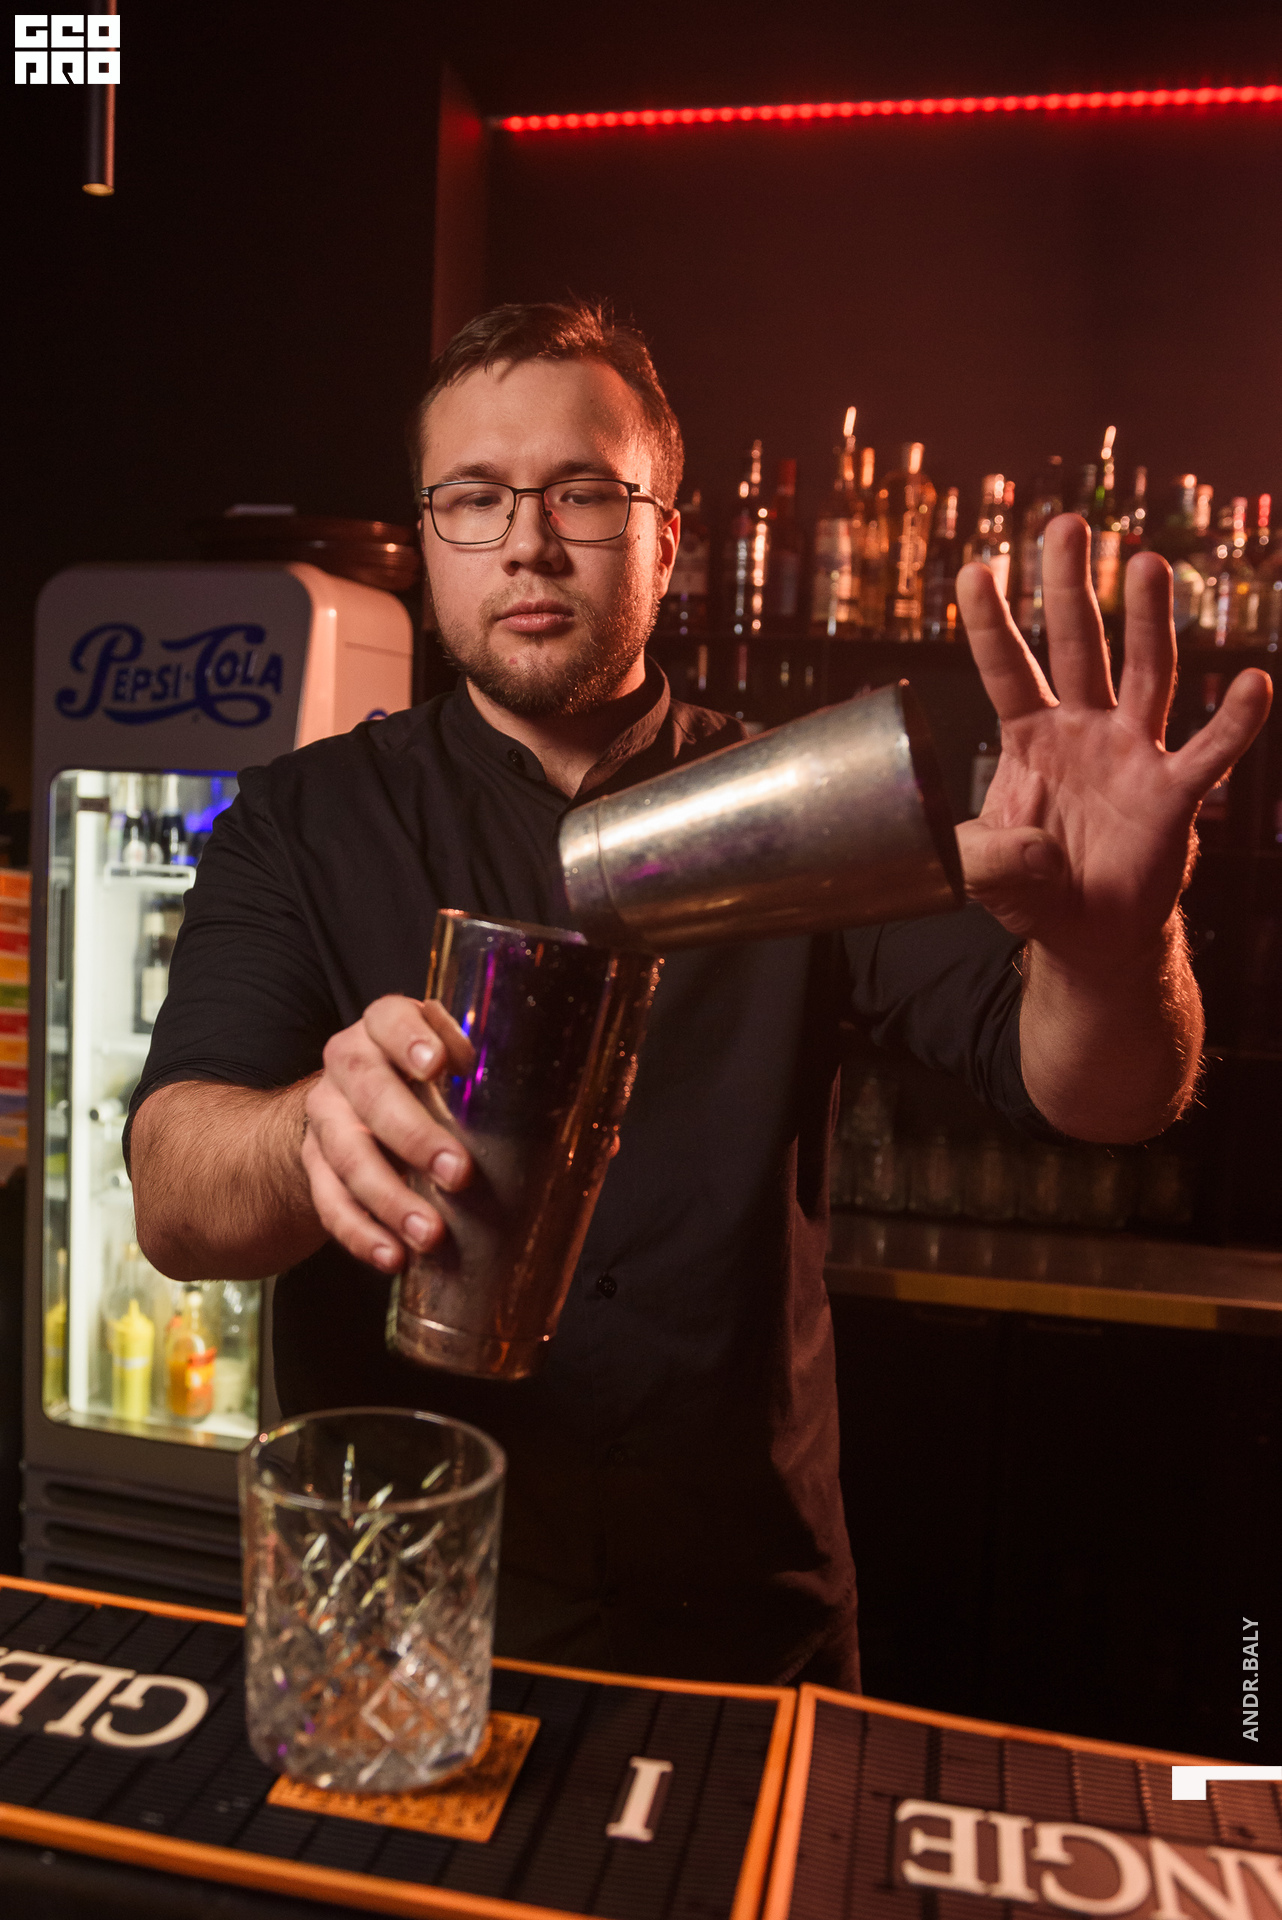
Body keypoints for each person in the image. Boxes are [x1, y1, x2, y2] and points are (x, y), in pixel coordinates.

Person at [128, 301, 1271, 1689]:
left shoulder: (816, 807)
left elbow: (1104, 1097)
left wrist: (1113, 948)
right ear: (427, 543)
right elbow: (176, 1200)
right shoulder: (300, 822)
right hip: (393, 1623)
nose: (528, 542)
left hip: (740, 1619)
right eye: (475, 499)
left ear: (667, 539)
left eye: (583, 493)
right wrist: (317, 1126)